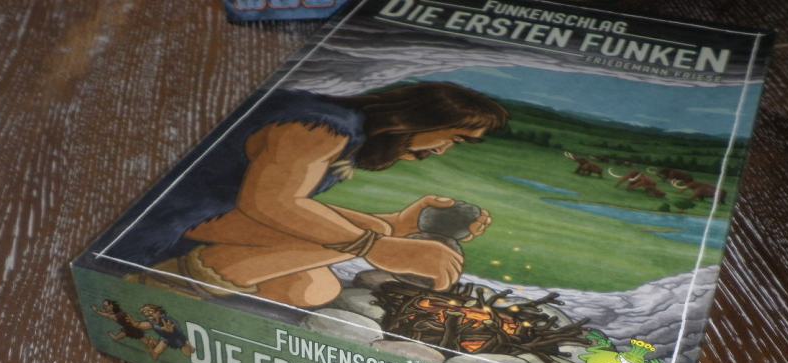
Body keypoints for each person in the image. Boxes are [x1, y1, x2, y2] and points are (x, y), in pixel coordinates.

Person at [106, 83, 509, 307]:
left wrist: (396, 225)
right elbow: (270, 204)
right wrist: (376, 245)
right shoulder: (321, 128)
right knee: (354, 239)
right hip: (170, 224)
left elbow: (282, 201)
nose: (443, 150)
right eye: (453, 138)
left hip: (218, 216)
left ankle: (212, 279)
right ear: (423, 119)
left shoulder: (350, 132)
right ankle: (164, 282)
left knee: (313, 288)